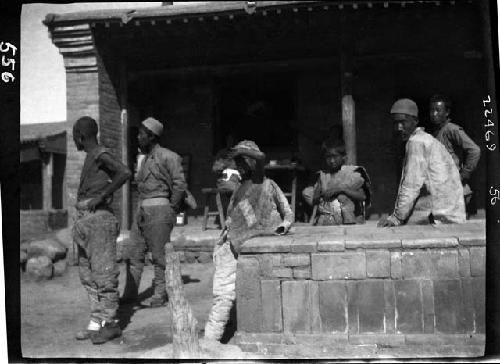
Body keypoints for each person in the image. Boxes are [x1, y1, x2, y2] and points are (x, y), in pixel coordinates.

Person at [204, 140, 294, 342]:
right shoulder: (238, 188)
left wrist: (282, 226)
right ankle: (210, 341)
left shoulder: (263, 182)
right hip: (231, 244)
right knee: (223, 294)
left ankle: (219, 337)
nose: (241, 167)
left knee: (249, 293)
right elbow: (235, 218)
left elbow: (286, 212)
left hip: (253, 244)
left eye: (245, 162)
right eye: (238, 163)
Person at [72, 116, 131, 344]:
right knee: (87, 275)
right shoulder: (91, 156)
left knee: (104, 275)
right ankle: (96, 322)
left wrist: (102, 196)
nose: (75, 140)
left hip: (99, 222)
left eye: (75, 136)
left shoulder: (99, 153)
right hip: (86, 222)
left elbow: (124, 172)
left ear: (80, 135)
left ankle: (111, 324)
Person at [121, 117, 187, 307]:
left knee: (159, 256)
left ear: (151, 136)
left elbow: (180, 184)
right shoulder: (145, 159)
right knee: (135, 253)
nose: (138, 138)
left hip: (160, 210)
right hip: (141, 210)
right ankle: (130, 294)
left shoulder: (169, 156)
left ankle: (159, 294)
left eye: (141, 134)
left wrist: (171, 208)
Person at [378, 98, 466, 227]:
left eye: (403, 122)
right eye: (395, 123)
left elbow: (411, 185)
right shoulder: (425, 139)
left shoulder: (416, 142)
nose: (398, 127)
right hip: (451, 212)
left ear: (415, 121)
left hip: (439, 215)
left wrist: (397, 217)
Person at [429, 94, 480, 210]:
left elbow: (475, 150)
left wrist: (463, 174)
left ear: (447, 112)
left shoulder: (451, 129)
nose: (434, 114)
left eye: (437, 110)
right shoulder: (437, 133)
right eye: (431, 110)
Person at [302, 140, 371, 225]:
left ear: (343, 157)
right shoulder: (323, 175)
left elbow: (362, 196)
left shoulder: (352, 174)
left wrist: (342, 189)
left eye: (335, 157)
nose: (332, 161)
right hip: (327, 221)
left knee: (342, 197)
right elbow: (315, 200)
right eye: (328, 157)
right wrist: (318, 192)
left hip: (348, 222)